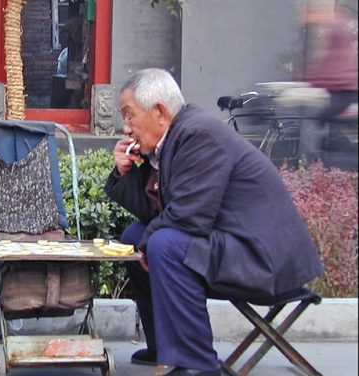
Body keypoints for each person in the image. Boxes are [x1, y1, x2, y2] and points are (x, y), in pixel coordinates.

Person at [104, 68, 324, 376]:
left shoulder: (198, 135)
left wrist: (149, 243)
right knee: (134, 236)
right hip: (232, 245)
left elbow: (188, 218)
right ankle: (164, 348)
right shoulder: (174, 140)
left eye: (129, 116)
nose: (126, 128)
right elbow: (159, 215)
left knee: (164, 244)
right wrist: (126, 173)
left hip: (262, 260)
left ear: (159, 112)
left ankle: (197, 365)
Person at [299, 2, 358, 163]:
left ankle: (327, 160)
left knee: (323, 119)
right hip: (341, 86)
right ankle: (328, 158)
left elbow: (333, 60)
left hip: (344, 86)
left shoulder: (336, 28)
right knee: (330, 122)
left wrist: (312, 78)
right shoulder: (339, 28)